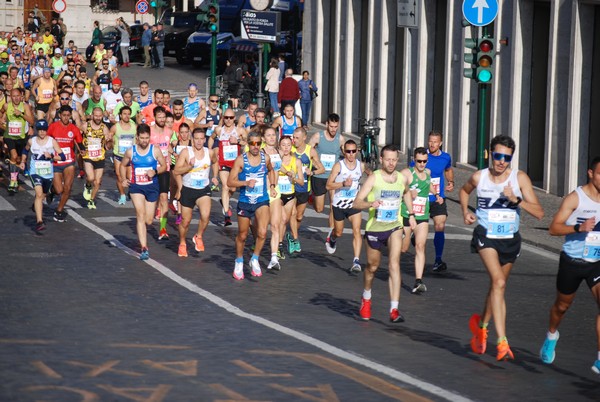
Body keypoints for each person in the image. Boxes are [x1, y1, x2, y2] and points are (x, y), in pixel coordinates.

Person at [460, 135, 544, 361]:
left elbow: (539, 212)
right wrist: (465, 212)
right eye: (498, 156)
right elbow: (464, 191)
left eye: (507, 158)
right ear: (490, 154)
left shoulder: (520, 179)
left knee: (497, 287)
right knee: (499, 282)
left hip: (510, 239)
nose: (501, 162)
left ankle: (482, 326)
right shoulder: (480, 177)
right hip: (486, 235)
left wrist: (516, 199)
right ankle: (502, 341)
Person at [539, 156, 600, 373]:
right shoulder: (575, 199)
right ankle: (551, 335)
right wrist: (578, 228)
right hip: (572, 262)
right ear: (591, 174)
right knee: (562, 306)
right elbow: (553, 229)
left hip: (596, 263)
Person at [352, 144, 416, 322]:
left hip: (394, 226)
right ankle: (366, 297)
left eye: (394, 159)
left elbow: (406, 193)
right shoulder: (374, 178)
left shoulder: (402, 178)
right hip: (375, 228)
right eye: (387, 159)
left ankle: (394, 310)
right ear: (381, 159)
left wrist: (410, 215)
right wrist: (370, 204)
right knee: (372, 267)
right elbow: (356, 203)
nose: (391, 163)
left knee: (394, 264)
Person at [227, 130, 278, 280]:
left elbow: (271, 171)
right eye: (252, 144)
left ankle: (255, 258)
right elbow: (230, 182)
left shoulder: (266, 158)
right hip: (245, 201)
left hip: (261, 200)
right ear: (248, 144)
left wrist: (273, 186)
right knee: (242, 235)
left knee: (262, 232)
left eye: (258, 143)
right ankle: (239, 261)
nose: (255, 146)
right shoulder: (241, 160)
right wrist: (245, 183)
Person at [119, 123, 167, 260]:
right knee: (140, 214)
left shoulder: (155, 150)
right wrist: (123, 179)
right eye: (142, 138)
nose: (145, 141)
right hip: (136, 187)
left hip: (152, 187)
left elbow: (164, 166)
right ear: (137, 138)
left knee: (149, 220)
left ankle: (144, 235)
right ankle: (144, 248)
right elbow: (123, 165)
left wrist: (155, 171)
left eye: (147, 138)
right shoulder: (131, 151)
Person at [400, 147, 443, 293]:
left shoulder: (428, 172)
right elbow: (396, 188)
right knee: (403, 249)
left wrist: (436, 194)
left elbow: (428, 184)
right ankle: (395, 270)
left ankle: (418, 281)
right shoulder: (407, 173)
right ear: (414, 160)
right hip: (406, 215)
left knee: (420, 246)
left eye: (424, 161)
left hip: (422, 216)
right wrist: (407, 193)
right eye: (419, 161)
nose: (422, 164)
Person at [173, 128, 219, 257]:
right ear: (192, 139)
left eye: (201, 139)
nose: (199, 142)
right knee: (185, 221)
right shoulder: (186, 152)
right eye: (196, 139)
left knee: (205, 216)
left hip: (203, 190)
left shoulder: (209, 152)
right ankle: (182, 243)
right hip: (188, 189)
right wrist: (189, 166)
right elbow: (176, 171)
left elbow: (215, 162)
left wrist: (215, 176)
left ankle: (198, 236)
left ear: (205, 140)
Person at [325, 139, 366, 273]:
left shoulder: (361, 166)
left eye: (353, 151)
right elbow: (328, 185)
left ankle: (356, 261)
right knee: (339, 232)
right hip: (339, 204)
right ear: (344, 152)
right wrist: (342, 184)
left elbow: (373, 176)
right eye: (348, 151)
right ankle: (332, 237)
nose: (351, 154)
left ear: (357, 151)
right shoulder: (339, 166)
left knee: (357, 231)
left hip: (354, 204)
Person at [20, 119, 65, 232]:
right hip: (35, 172)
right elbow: (25, 151)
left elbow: (62, 157)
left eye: (44, 130)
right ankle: (39, 221)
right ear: (37, 130)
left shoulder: (52, 141)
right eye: (40, 130)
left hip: (48, 173)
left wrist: (51, 156)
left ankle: (37, 203)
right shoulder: (32, 141)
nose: (42, 133)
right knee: (39, 194)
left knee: (42, 195)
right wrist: (22, 161)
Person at [286, 127, 324, 255]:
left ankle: (292, 235)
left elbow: (322, 169)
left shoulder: (310, 151)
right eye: (293, 137)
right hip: (291, 186)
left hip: (304, 188)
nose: (294, 140)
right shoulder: (290, 149)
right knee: (292, 212)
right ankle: (295, 239)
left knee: (299, 216)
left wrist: (311, 172)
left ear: (304, 138)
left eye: (296, 138)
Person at [424, 130, 455, 272]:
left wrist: (451, 181)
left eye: (435, 141)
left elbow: (448, 170)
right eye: (430, 141)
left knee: (440, 224)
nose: (432, 144)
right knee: (417, 231)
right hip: (422, 198)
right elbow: (411, 172)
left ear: (440, 143)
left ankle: (438, 259)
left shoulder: (446, 157)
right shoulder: (422, 156)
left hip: (438, 198)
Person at [47, 105, 83, 222]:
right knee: (59, 190)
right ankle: (52, 190)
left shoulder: (74, 128)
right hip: (56, 162)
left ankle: (59, 210)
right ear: (59, 115)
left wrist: (83, 150)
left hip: (69, 162)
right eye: (64, 115)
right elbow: (47, 141)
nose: (66, 118)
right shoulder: (53, 127)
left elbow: (79, 142)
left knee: (67, 188)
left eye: (68, 116)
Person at [310, 113, 344, 231]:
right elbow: (308, 152)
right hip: (319, 175)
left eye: (336, 127)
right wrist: (315, 165)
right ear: (326, 125)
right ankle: (312, 198)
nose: (333, 129)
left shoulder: (340, 139)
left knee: (333, 206)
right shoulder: (318, 136)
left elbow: (345, 155)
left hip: (333, 177)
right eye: (331, 126)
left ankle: (330, 234)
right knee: (319, 209)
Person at [213, 108, 245, 226]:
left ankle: (224, 200)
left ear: (234, 118)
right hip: (223, 163)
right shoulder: (218, 130)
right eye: (226, 117)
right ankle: (226, 215)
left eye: (231, 118)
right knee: (226, 186)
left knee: (232, 189)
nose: (228, 120)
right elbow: (211, 138)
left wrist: (237, 141)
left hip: (235, 164)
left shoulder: (239, 130)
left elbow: (249, 143)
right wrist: (213, 151)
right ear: (223, 118)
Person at [2, 88, 35, 192]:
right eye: (14, 96)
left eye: (18, 96)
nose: (16, 98)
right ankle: (13, 180)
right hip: (9, 136)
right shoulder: (7, 105)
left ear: (21, 96)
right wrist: (2, 120)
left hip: (21, 137)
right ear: (11, 97)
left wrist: (21, 114)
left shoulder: (25, 106)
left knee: (19, 159)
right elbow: (1, 112)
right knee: (14, 155)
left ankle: (15, 177)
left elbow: (32, 121)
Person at [149, 106, 172, 239]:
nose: (162, 120)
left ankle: (163, 228)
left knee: (164, 198)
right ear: (155, 118)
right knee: (152, 198)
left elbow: (168, 147)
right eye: (160, 117)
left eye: (164, 117)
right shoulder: (150, 132)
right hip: (151, 169)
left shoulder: (169, 132)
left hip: (165, 169)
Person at [82, 107, 111, 209]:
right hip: (88, 156)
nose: (98, 118)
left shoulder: (104, 128)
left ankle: (91, 200)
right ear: (92, 115)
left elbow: (108, 147)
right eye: (96, 116)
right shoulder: (86, 125)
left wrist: (109, 140)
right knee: (91, 178)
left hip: (99, 156)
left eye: (100, 116)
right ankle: (88, 185)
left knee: (98, 182)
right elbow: (79, 138)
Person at [110, 105, 136, 204]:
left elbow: (138, 139)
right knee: (119, 176)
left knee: (130, 177)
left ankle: (130, 191)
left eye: (129, 114)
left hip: (130, 156)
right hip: (119, 155)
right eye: (124, 114)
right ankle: (122, 195)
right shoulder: (115, 127)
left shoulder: (134, 127)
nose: (126, 116)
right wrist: (109, 138)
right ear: (120, 115)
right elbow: (110, 136)